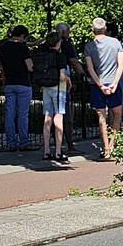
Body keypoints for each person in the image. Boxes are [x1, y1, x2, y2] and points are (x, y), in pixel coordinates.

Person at [84, 17, 123, 158]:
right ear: (105, 28)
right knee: (117, 114)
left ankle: (106, 147)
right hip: (114, 83)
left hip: (98, 84)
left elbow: (90, 68)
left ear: (92, 30)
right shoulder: (116, 43)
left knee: (101, 117)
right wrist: (115, 82)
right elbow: (121, 64)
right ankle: (113, 145)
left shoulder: (89, 46)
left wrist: (100, 85)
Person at [0, 25, 34, 151]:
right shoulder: (22, 47)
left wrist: (7, 68)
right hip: (23, 83)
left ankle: (11, 143)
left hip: (9, 83)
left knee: (9, 115)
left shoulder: (2, 47)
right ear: (22, 35)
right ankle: (23, 143)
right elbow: (30, 67)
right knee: (22, 115)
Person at [35, 32, 71, 162]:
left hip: (46, 88)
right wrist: (68, 79)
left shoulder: (42, 55)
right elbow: (62, 76)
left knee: (47, 117)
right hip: (58, 88)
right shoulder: (60, 56)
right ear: (58, 43)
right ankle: (58, 151)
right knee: (59, 117)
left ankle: (46, 151)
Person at [55, 22, 84, 153]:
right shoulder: (66, 44)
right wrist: (82, 74)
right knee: (65, 112)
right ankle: (70, 145)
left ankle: (55, 146)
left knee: (51, 113)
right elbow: (74, 61)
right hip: (63, 80)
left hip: (49, 81)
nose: (69, 34)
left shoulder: (47, 45)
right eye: (68, 31)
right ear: (63, 32)